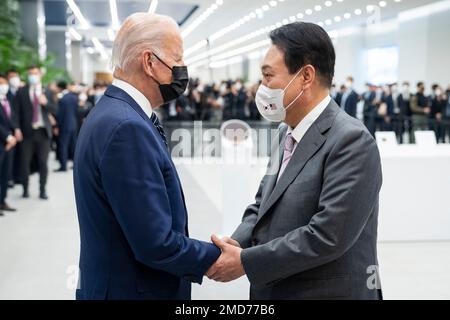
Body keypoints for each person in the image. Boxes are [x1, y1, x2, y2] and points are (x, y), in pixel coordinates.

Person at [206, 22, 383, 300]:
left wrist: (246, 261)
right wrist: (235, 243)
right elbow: (262, 206)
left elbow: (327, 236)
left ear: (306, 77)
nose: (261, 87)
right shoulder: (284, 132)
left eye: (268, 76)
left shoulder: (351, 141)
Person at [73, 13, 220, 300]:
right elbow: (155, 243)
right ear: (150, 62)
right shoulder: (127, 127)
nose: (182, 68)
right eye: (177, 58)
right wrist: (217, 257)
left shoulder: (112, 112)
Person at [15, 65, 53, 200]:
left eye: (35, 73)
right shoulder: (22, 91)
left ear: (40, 75)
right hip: (27, 133)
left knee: (43, 163)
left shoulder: (47, 91)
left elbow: (55, 110)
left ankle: (43, 189)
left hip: (43, 133)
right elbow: (16, 112)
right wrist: (17, 128)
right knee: (25, 162)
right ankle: (25, 189)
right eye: (30, 74)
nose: (33, 76)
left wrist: (46, 102)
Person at [0, 74, 18, 216]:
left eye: (4, 83)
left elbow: (11, 118)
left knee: (6, 174)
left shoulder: (7, 100)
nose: (3, 85)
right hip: (4, 141)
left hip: (10, 143)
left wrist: (15, 131)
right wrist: (7, 136)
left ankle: (2, 201)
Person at [54, 81, 79, 172]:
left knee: (63, 145)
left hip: (64, 124)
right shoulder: (73, 97)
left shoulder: (62, 98)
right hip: (73, 123)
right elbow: (77, 110)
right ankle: (75, 164)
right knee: (73, 145)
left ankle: (63, 165)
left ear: (60, 88)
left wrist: (57, 126)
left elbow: (60, 114)